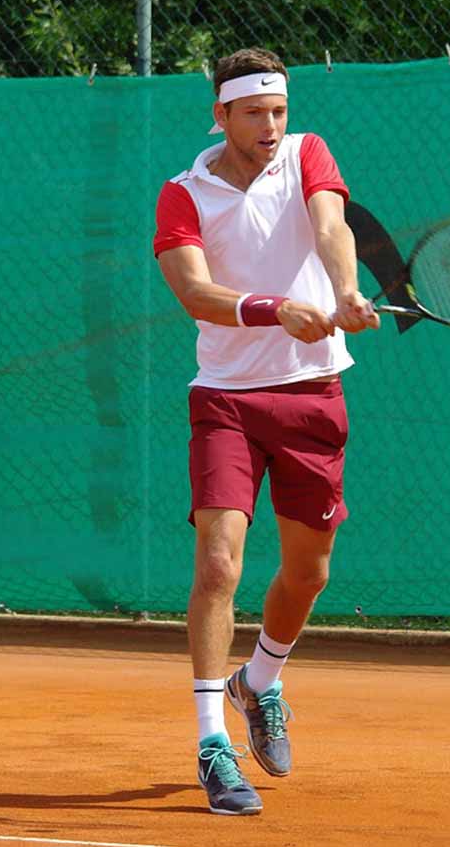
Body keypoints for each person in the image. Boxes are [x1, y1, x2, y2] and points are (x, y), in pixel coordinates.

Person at [153, 48, 379, 815]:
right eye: (254, 113)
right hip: (225, 399)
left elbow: (331, 226)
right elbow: (193, 290)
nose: (272, 127)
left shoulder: (308, 153)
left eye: (278, 111)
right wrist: (272, 307)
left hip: (313, 396)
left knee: (309, 573)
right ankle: (212, 743)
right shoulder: (183, 193)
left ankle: (261, 682)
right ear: (220, 116)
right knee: (218, 564)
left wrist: (345, 291)